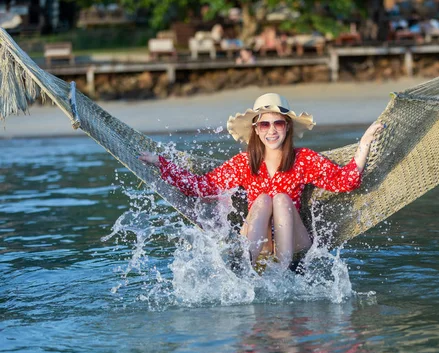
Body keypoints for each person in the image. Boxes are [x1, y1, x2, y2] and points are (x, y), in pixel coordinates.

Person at [139, 93, 383, 271]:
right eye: (264, 124)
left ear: (287, 127)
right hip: (259, 244)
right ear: (256, 130)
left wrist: (364, 144)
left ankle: (284, 271)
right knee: (264, 199)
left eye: (278, 123)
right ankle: (245, 268)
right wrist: (162, 164)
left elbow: (347, 181)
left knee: (280, 198)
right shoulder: (245, 163)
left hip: (295, 245)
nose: (272, 130)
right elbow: (202, 187)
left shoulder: (303, 160)